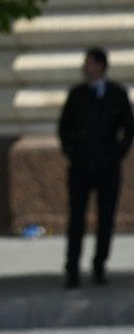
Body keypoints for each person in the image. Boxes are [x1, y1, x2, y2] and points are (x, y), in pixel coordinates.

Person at [58, 48, 134, 287]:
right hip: (81, 168)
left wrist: (116, 155)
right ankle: (72, 269)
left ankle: (99, 265)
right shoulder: (77, 95)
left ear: (100, 66)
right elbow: (63, 128)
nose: (85, 67)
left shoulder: (117, 94)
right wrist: (72, 153)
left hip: (107, 168)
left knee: (106, 219)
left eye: (89, 63)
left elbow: (128, 130)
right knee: (77, 219)